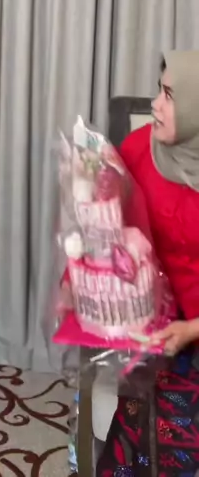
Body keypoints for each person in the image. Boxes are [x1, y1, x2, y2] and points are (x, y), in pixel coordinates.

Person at [96, 50, 199, 476]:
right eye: (160, 90)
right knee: (134, 423)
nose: (154, 104)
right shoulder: (140, 147)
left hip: (193, 329)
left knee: (178, 436)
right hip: (153, 314)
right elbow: (106, 225)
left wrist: (192, 330)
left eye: (170, 95)